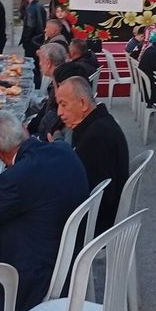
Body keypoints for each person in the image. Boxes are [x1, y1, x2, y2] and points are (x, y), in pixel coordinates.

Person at [0, 111, 89, 311]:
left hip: (34, 276)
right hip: (68, 253)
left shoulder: (14, 179)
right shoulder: (63, 149)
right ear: (23, 129)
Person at [57, 76, 129, 233]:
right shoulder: (98, 122)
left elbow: (95, 196)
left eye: (63, 105)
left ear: (83, 104)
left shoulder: (97, 138)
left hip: (97, 223)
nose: (59, 112)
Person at [26, 43, 68, 139]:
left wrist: (31, 133)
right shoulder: (58, 78)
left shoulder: (61, 84)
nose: (39, 64)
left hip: (49, 137)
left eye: (40, 61)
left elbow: (52, 116)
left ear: (48, 63)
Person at [20, 0, 46, 87]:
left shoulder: (30, 8)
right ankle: (39, 86)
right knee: (37, 66)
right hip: (39, 40)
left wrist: (26, 40)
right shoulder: (41, 7)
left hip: (32, 41)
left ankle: (34, 87)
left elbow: (30, 26)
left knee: (31, 68)